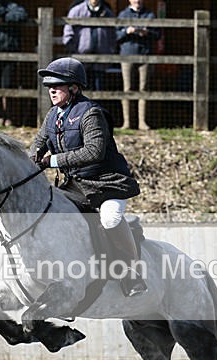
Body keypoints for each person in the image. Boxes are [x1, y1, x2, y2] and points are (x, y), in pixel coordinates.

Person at [28, 58, 146, 298]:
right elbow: (37, 146)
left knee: (111, 220)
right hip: (75, 186)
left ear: (74, 88)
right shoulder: (53, 116)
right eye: (49, 85)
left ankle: (132, 274)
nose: (51, 89)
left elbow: (93, 152)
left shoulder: (91, 113)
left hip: (107, 182)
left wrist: (52, 161)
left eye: (58, 85)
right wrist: (29, 160)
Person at [116, 0, 159, 130]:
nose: (137, 1)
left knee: (144, 89)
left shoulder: (150, 15)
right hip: (127, 55)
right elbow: (115, 35)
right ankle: (127, 123)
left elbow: (158, 34)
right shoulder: (123, 15)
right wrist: (126, 31)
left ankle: (142, 122)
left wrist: (147, 33)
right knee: (127, 89)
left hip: (145, 54)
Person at [63, 0, 117, 91]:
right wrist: (73, 49)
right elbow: (68, 32)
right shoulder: (77, 10)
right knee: (81, 89)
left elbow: (113, 34)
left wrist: (110, 49)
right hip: (81, 59)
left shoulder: (107, 12)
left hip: (101, 59)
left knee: (99, 89)